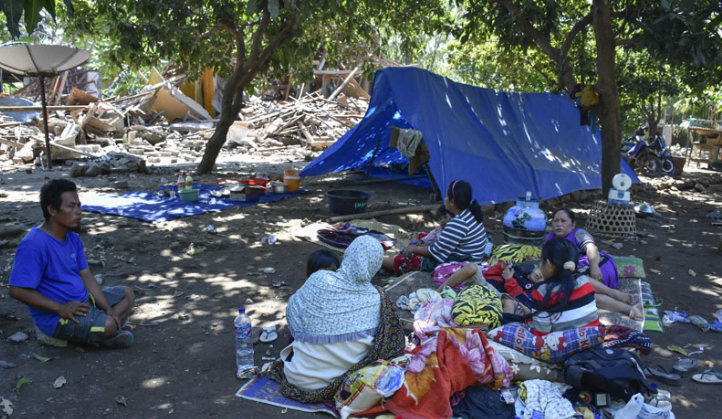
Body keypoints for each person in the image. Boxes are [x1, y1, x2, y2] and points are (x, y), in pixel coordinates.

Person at [265, 235, 405, 403]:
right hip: (335, 384)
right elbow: (388, 346)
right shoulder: (379, 298)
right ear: (375, 264)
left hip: (295, 375)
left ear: (347, 255)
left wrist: (319, 328)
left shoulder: (318, 279)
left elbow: (293, 315)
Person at [9, 179, 136, 348]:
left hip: (83, 302)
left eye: (79, 206)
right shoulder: (34, 244)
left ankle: (104, 328)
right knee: (107, 325)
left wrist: (107, 308)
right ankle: (103, 331)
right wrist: (60, 307)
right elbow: (16, 290)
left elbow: (86, 275)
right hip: (57, 316)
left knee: (128, 294)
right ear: (52, 210)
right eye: (71, 207)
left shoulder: (73, 238)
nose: (78, 212)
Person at [382, 180, 491, 274]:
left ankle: (380, 260)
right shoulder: (471, 213)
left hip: (462, 266)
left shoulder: (458, 224)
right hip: (470, 258)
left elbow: (434, 252)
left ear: (452, 201)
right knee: (424, 237)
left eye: (447, 196)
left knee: (410, 259)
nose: (445, 198)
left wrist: (413, 249)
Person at [506, 238, 600, 335]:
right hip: (592, 336)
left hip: (562, 344)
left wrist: (527, 322)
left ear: (549, 265)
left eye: (541, 261)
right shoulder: (584, 281)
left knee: (507, 324)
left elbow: (541, 333)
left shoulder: (542, 291)